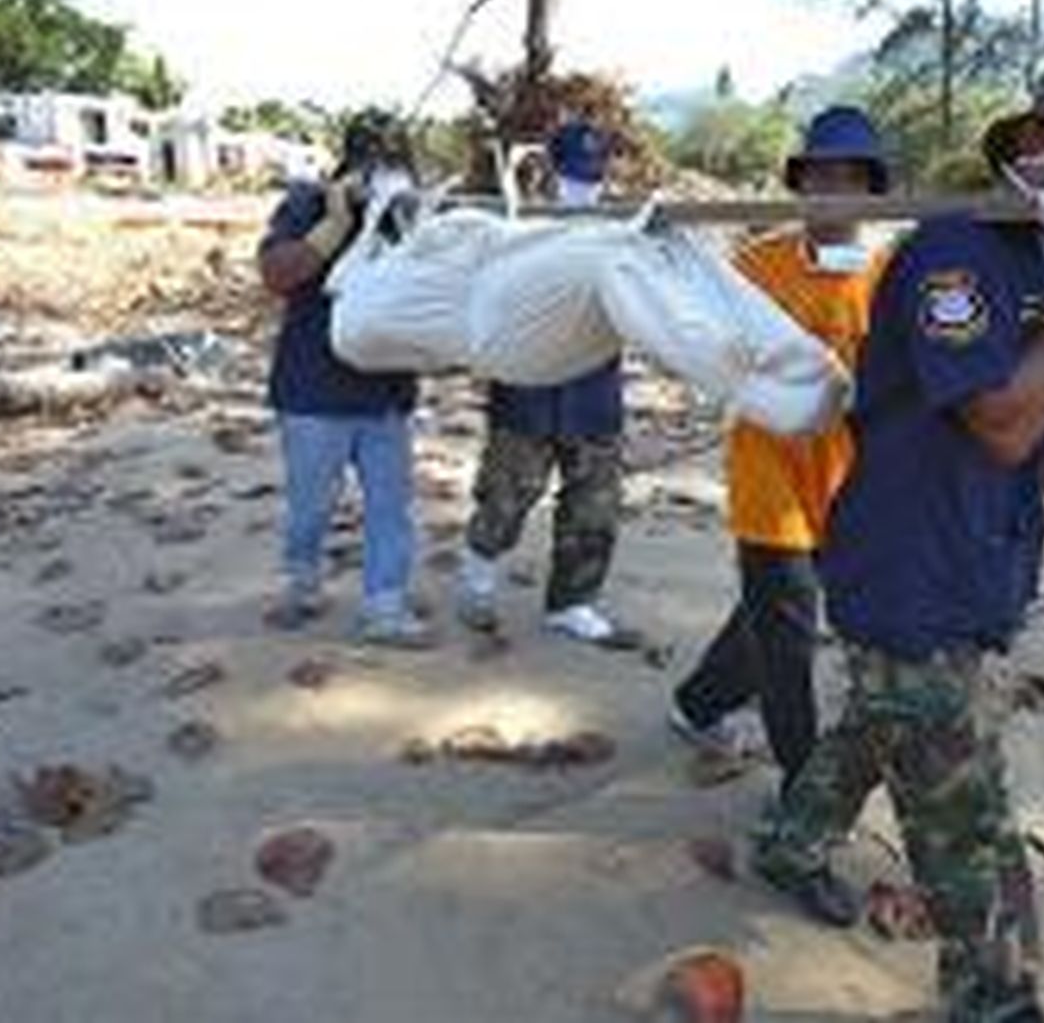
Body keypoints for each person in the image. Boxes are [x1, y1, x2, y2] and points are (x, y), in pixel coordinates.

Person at [751, 46, 1044, 1022]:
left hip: (978, 563)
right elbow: (1000, 419)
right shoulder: (959, 252)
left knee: (879, 727)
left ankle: (786, 842)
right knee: (966, 815)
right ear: (1034, 145)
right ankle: (994, 1000)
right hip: (911, 571)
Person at [669, 106, 892, 786]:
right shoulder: (755, 268)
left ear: (871, 188)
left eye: (849, 176)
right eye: (820, 174)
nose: (833, 189)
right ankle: (804, 781)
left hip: (849, 480)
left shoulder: (888, 274)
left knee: (772, 614)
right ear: (801, 183)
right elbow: (697, 327)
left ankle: (698, 701)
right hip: (770, 474)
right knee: (792, 627)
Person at [257, 109, 432, 648]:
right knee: (311, 504)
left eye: (395, 164)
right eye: (374, 164)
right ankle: (302, 582)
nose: (385, 175)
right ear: (350, 165)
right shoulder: (308, 204)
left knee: (390, 507)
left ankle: (385, 605)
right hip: (314, 394)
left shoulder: (412, 219)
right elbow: (277, 274)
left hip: (385, 396)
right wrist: (332, 226)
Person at [456, 118, 628, 644]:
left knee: (593, 507)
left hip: (593, 392)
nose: (585, 186)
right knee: (506, 497)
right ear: (549, 173)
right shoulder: (515, 230)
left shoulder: (622, 231)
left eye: (593, 175)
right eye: (575, 175)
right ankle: (478, 581)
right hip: (526, 390)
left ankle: (572, 603)